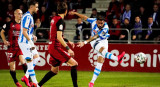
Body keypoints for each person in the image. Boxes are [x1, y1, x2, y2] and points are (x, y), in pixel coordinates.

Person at [69, 11, 125, 87]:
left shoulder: (105, 27)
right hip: (94, 41)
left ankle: (91, 82)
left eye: (101, 23)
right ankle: (117, 58)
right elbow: (85, 17)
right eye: (99, 23)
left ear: (104, 22)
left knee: (100, 61)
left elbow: (96, 35)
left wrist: (84, 42)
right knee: (103, 51)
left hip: (103, 41)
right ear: (96, 21)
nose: (100, 25)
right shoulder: (93, 21)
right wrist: (75, 13)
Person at [38, 2, 78, 87]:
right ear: (66, 11)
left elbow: (55, 35)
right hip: (55, 48)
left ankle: (38, 85)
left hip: (52, 46)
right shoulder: (61, 21)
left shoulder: (54, 18)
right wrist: (68, 48)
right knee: (74, 64)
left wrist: (67, 41)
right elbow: (59, 37)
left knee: (54, 71)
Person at [0, 9, 27, 87]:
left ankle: (28, 79)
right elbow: (1, 32)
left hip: (20, 47)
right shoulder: (9, 24)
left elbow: (27, 33)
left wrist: (33, 36)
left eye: (21, 14)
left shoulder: (23, 24)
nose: (20, 15)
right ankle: (16, 82)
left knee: (23, 61)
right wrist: (4, 40)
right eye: (19, 14)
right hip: (11, 48)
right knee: (12, 68)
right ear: (15, 15)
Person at [18, 1, 40, 87]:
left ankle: (26, 76)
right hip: (24, 42)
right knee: (30, 63)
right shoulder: (27, 17)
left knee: (37, 58)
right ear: (31, 7)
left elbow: (27, 31)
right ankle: (36, 84)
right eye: (36, 7)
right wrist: (31, 43)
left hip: (27, 41)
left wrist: (32, 36)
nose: (37, 9)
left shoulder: (30, 16)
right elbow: (24, 32)